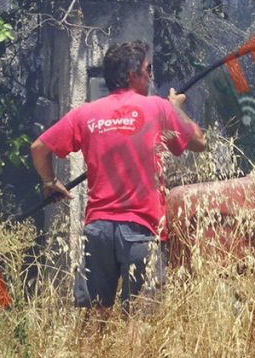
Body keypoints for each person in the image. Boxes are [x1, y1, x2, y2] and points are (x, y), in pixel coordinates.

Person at [30, 40, 206, 312]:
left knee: (93, 319)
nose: (151, 75)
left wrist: (50, 183)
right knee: (140, 321)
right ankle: (133, 357)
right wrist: (176, 108)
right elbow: (198, 141)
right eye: (148, 69)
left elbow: (39, 148)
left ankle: (88, 357)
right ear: (133, 74)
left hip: (98, 229)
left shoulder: (86, 113)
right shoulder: (158, 108)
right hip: (141, 231)